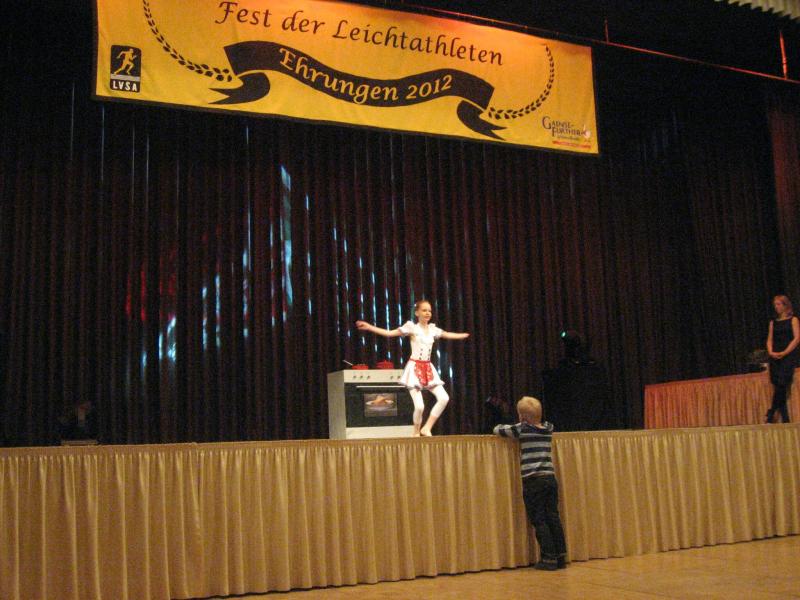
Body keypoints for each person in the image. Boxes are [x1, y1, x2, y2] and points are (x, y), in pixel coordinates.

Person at [355, 299, 469, 436]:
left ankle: (427, 427)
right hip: (414, 369)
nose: (427, 313)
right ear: (417, 313)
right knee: (420, 406)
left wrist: (463, 335)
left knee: (444, 398)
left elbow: (447, 334)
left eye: (429, 311)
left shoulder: (433, 330)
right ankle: (415, 432)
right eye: (424, 310)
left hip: (428, 369)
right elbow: (389, 333)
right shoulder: (412, 328)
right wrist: (369, 327)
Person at [494, 396, 567, 570]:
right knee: (553, 517)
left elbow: (499, 430)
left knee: (539, 519)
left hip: (533, 481)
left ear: (522, 417)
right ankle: (561, 556)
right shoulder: (548, 428)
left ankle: (548, 558)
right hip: (550, 478)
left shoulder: (523, 429)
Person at [765, 294, 800, 423]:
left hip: (787, 355)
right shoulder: (773, 322)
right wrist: (770, 351)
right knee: (779, 387)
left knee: (781, 383)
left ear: (785, 305)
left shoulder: (793, 320)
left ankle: (772, 412)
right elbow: (769, 339)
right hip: (775, 355)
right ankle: (785, 419)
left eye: (779, 304)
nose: (776, 307)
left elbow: (796, 338)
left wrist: (785, 352)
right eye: (775, 305)